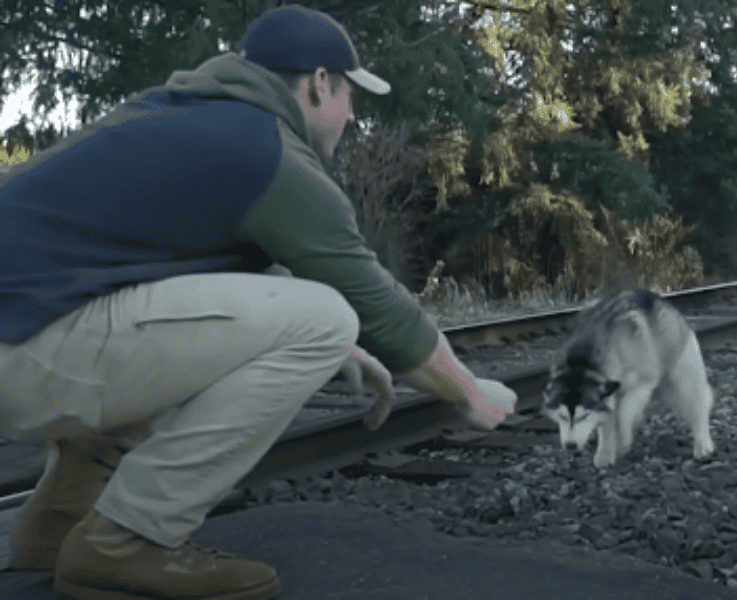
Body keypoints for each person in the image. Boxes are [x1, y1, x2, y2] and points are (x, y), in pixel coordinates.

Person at [0, 5, 516, 600]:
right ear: (322, 82)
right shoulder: (268, 149)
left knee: (308, 322)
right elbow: (374, 300)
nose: (351, 114)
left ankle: (56, 526)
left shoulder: (179, 116)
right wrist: (470, 394)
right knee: (325, 315)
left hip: (25, 329)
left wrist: (336, 345)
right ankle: (126, 544)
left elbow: (169, 287)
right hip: (23, 345)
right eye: (349, 93)